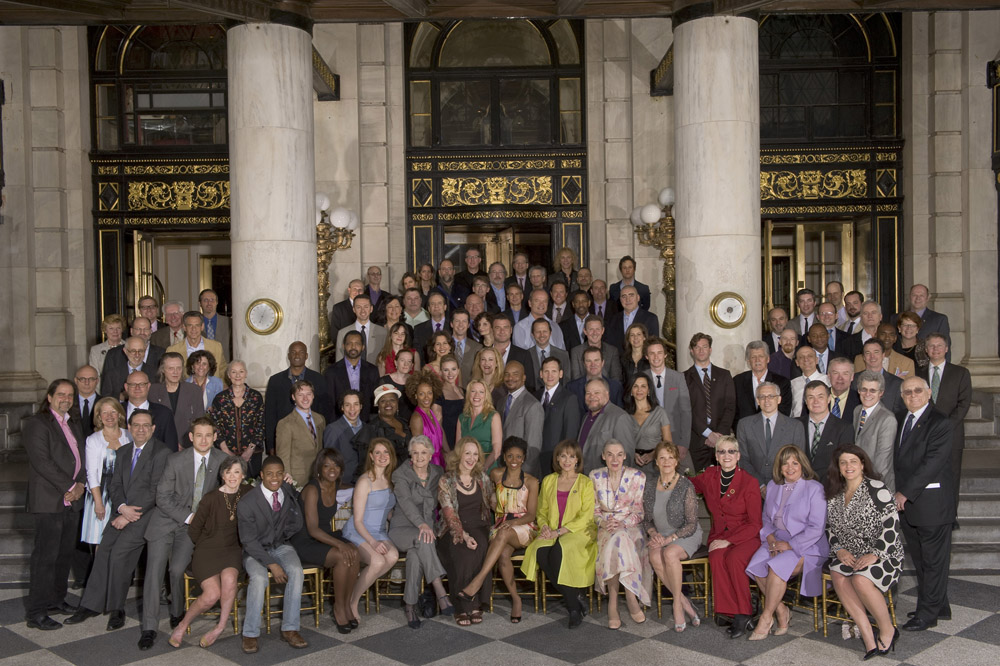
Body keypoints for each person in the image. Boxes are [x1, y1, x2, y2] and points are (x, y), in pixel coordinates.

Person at [66, 410, 169, 649]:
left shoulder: (162, 453)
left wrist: (131, 514)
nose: (141, 429)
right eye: (136, 425)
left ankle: (116, 608)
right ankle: (90, 605)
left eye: (146, 425)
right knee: (103, 551)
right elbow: (114, 484)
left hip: (147, 515)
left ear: (153, 429)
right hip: (122, 512)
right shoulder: (122, 452)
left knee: (120, 553)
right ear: (129, 428)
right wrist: (122, 508)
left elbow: (156, 490)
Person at [138, 416, 227, 642]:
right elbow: (162, 497)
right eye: (199, 435)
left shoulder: (222, 460)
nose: (204, 440)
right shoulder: (175, 460)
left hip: (190, 529)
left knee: (177, 570)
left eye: (208, 435)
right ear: (191, 437)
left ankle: (177, 611)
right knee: (154, 572)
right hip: (165, 522)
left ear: (215, 437)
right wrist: (189, 517)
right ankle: (149, 627)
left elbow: (238, 477)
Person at [826, 445, 903, 658]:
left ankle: (888, 629)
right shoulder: (834, 492)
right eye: (843, 462)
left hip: (884, 553)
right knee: (838, 572)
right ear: (838, 467)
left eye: (853, 461)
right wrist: (839, 549)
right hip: (850, 552)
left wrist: (875, 553)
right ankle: (868, 635)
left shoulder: (876, 488)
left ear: (862, 464)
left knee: (860, 580)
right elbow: (830, 527)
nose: (848, 466)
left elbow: (892, 525)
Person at [745, 445, 828, 640]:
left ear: (802, 465)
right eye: (785, 464)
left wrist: (790, 546)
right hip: (777, 539)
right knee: (756, 566)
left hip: (807, 544)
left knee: (776, 568)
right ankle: (781, 610)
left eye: (794, 463)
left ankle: (766, 617)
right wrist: (770, 537)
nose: (790, 468)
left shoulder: (815, 488)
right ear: (779, 467)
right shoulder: (773, 486)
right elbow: (766, 519)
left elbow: (817, 528)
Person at [23, 380, 87, 631]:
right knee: (45, 558)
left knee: (63, 556)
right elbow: (42, 462)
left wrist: (80, 485)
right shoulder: (37, 424)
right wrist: (71, 487)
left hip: (71, 501)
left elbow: (80, 458)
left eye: (70, 395)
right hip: (49, 500)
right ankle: (36, 612)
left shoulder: (72, 422)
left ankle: (55, 600)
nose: (66, 399)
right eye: (61, 394)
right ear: (49, 397)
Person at [167, 455, 250, 648]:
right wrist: (206, 545)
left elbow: (270, 490)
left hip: (231, 550)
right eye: (228, 472)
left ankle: (219, 628)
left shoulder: (248, 492)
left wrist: (287, 479)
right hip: (207, 550)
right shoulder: (211, 498)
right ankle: (182, 625)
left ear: (243, 475)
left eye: (236, 472)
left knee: (230, 580)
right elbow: (194, 530)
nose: (232, 476)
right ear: (222, 475)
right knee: (212, 594)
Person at [456, 437, 539, 623]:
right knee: (502, 556)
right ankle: (516, 600)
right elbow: (486, 496)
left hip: (523, 527)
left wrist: (513, 524)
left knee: (503, 533)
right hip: (501, 526)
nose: (514, 460)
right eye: (510, 456)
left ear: (524, 458)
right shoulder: (495, 475)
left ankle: (476, 582)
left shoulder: (532, 482)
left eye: (518, 456)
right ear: (504, 457)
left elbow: (531, 515)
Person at [895, 376, 955, 631]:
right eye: (907, 392)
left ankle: (927, 615)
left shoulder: (941, 422)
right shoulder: (902, 419)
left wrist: (904, 493)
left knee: (932, 561)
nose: (912, 395)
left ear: (929, 393)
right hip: (910, 508)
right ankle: (939, 604)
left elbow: (932, 464)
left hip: (931, 505)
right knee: (920, 560)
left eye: (918, 391)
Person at [690, 436, 763, 639]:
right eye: (722, 451)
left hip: (746, 536)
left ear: (738, 456)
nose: (727, 455)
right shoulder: (710, 476)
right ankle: (727, 611)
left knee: (733, 558)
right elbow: (689, 485)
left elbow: (755, 523)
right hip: (720, 534)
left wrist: (730, 541)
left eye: (731, 451)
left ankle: (744, 612)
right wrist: (668, 475)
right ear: (716, 456)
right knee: (716, 556)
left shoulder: (749, 482)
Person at [521, 439, 596, 628]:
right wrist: (545, 526)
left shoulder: (585, 483)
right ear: (557, 459)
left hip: (578, 531)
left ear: (578, 460)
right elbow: (542, 511)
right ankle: (576, 597)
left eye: (572, 456)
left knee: (559, 550)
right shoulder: (548, 480)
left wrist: (559, 532)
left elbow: (586, 516)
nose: (567, 460)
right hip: (552, 530)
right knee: (539, 550)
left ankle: (572, 609)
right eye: (563, 456)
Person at [237, 455, 308, 653]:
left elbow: (295, 512)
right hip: (255, 550)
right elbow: (248, 541)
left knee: (296, 570)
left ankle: (290, 628)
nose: (274, 478)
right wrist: (271, 564)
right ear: (261, 476)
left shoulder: (286, 490)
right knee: (259, 578)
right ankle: (250, 633)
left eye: (279, 474)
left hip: (280, 545)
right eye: (269, 474)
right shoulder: (247, 502)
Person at [289, 449, 361, 632]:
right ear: (319, 468)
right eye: (327, 465)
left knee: (354, 551)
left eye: (336, 465)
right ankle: (338, 608)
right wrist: (339, 543)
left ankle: (346, 605)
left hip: (325, 535)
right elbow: (313, 529)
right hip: (305, 540)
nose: (332, 469)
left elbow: (350, 487)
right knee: (342, 555)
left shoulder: (335, 484)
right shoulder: (312, 489)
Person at [389, 435, 453, 628]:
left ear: (431, 454)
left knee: (415, 557)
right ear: (410, 454)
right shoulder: (400, 474)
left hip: (425, 530)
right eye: (415, 452)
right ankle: (440, 590)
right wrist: (422, 525)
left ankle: (409, 606)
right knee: (424, 540)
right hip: (402, 528)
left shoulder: (437, 472)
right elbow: (406, 504)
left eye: (423, 452)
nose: (419, 457)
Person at [590, 439, 651, 629]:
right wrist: (605, 522)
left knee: (621, 538)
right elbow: (593, 510)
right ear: (603, 456)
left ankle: (614, 603)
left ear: (625, 456)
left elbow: (639, 512)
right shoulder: (595, 476)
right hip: (605, 527)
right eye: (610, 454)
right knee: (617, 539)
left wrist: (622, 523)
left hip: (631, 526)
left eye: (619, 454)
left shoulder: (638, 476)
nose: (614, 459)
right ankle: (630, 597)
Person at [642, 442, 703, 632]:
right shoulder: (650, 486)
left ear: (676, 461)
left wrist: (669, 539)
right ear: (656, 462)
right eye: (662, 457)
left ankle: (677, 605)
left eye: (670, 457)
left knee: (669, 554)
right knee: (653, 555)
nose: (666, 461)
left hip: (686, 534)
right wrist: (653, 534)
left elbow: (692, 523)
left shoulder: (685, 485)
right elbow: (647, 520)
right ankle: (685, 602)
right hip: (662, 535)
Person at [342, 439, 400, 625]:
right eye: (378, 452)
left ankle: (356, 583)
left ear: (391, 457)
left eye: (386, 453)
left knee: (392, 557)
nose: (382, 456)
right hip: (360, 530)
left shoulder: (391, 480)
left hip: (380, 531)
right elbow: (358, 520)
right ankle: (352, 602)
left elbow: (388, 511)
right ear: (371, 457)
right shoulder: (364, 481)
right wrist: (373, 543)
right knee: (377, 560)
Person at [439, 437, 496, 626]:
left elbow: (494, 503)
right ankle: (462, 605)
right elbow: (448, 513)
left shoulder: (482, 478)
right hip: (453, 528)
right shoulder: (446, 480)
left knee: (480, 547)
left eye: (475, 454)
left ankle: (474, 602)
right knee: (463, 552)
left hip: (479, 525)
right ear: (459, 455)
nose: (471, 458)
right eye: (467, 453)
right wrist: (463, 535)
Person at [264, 341, 334, 454]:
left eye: (301, 352)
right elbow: (270, 415)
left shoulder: (319, 379)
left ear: (306, 356)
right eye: (293, 352)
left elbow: (325, 412)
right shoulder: (275, 381)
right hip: (284, 440)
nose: (297, 355)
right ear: (288, 356)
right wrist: (271, 445)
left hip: (312, 440)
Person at [735, 381, 806, 488]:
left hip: (785, 487)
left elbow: (799, 461)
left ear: (779, 399)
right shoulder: (744, 424)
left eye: (771, 396)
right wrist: (760, 485)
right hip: (753, 488)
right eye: (762, 397)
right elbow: (742, 459)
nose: (766, 400)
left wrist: (779, 485)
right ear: (757, 401)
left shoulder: (795, 426)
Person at [81, 398, 130, 548]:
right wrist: (98, 503)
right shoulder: (93, 440)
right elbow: (92, 474)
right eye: (105, 412)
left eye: (113, 412)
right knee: (101, 544)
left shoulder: (129, 436)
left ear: (119, 414)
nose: (109, 416)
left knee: (124, 543)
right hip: (101, 495)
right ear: (99, 416)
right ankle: (101, 572)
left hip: (125, 492)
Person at [684, 333, 736, 471]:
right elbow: (687, 410)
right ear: (691, 351)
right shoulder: (683, 378)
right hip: (697, 441)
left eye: (705, 346)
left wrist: (718, 435)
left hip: (722, 441)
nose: (701, 350)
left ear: (710, 349)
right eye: (697, 347)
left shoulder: (724, 375)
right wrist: (708, 434)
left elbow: (730, 407)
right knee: (699, 484)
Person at [209, 359, 266, 478]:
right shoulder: (220, 399)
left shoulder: (255, 397)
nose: (238, 375)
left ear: (246, 374)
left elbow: (261, 425)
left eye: (241, 371)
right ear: (229, 375)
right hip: (225, 453)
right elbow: (215, 425)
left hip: (253, 454)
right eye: (234, 372)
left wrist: (250, 450)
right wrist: (225, 450)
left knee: (251, 488)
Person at [578, 377, 638, 472]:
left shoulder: (620, 417)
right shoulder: (586, 417)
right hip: (584, 479)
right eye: (588, 393)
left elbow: (627, 457)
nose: (592, 396)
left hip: (606, 481)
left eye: (597, 392)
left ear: (607, 394)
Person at [852, 370, 897, 491]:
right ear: (858, 390)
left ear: (881, 393)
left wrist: (864, 486)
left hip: (877, 485)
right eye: (864, 389)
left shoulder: (887, 419)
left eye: (873, 390)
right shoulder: (857, 411)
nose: (867, 394)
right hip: (856, 480)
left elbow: (882, 463)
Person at [537, 357, 581, 479]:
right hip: (535, 458)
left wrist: (564, 459)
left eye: (554, 371)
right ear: (541, 374)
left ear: (561, 374)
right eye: (546, 371)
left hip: (555, 459)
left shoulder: (569, 398)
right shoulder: (535, 395)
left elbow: (570, 433)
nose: (550, 375)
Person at [798, 380, 854, 477]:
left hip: (830, 487)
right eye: (811, 397)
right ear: (806, 402)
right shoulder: (796, 425)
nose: (816, 401)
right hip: (800, 485)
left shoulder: (844, 428)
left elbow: (845, 463)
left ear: (829, 399)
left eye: (820, 397)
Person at [496, 362, 545, 473]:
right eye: (507, 374)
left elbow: (533, 447)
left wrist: (521, 476)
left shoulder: (533, 405)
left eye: (515, 374)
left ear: (524, 377)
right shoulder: (500, 402)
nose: (510, 378)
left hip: (522, 473)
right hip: (502, 469)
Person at [276, 380, 325, 487]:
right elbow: (283, 455)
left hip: (318, 476)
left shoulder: (320, 419)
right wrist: (287, 476)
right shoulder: (285, 423)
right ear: (293, 397)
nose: (305, 398)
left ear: (313, 396)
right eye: (300, 395)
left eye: (308, 394)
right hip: (297, 479)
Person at [325, 330, 380, 421]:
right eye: (349, 343)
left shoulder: (372, 370)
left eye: (357, 344)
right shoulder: (331, 372)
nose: (353, 347)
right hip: (340, 423)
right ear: (343, 346)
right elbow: (329, 403)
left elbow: (374, 402)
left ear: (363, 347)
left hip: (366, 424)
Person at [733, 340, 792, 424]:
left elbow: (784, 410)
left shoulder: (782, 382)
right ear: (748, 361)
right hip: (745, 432)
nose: (757, 360)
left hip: (773, 431)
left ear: (768, 359)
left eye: (761, 356)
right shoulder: (737, 381)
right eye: (753, 357)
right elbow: (733, 410)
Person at [149, 351, 204, 439]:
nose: (175, 372)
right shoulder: (153, 390)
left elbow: (199, 421)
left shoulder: (195, 391)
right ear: (162, 369)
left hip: (187, 443)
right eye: (171, 368)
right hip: (161, 444)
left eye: (178, 368)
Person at [626, 373, 672, 476]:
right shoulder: (625, 415)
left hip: (656, 465)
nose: (639, 390)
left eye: (643, 386)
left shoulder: (660, 412)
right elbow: (622, 442)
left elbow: (668, 442)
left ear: (649, 390)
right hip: (633, 466)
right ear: (631, 391)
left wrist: (653, 455)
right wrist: (632, 454)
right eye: (635, 386)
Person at [122, 370, 179, 450]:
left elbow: (171, 448)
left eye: (142, 384)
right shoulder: (116, 412)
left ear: (148, 386)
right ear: (126, 387)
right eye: (133, 384)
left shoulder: (164, 413)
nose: (137, 388)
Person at [100, 330, 165, 399]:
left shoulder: (155, 373)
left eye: (140, 351)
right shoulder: (112, 375)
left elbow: (159, 397)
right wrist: (121, 397)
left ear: (145, 350)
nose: (137, 355)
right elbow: (105, 399)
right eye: (133, 351)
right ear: (125, 351)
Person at [166, 310, 227, 379]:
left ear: (202, 326)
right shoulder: (173, 350)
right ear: (184, 327)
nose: (193, 329)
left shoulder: (216, 347)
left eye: (197, 325)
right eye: (190, 325)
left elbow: (223, 371)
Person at [457, 378, 502, 468]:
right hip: (466, 468)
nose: (477, 395)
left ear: (486, 396)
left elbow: (497, 450)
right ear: (469, 394)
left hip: (487, 466)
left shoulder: (494, 416)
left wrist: (482, 470)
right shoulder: (462, 418)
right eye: (473, 391)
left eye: (481, 392)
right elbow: (458, 448)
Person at [323, 390, 366, 484]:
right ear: (342, 407)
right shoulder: (333, 429)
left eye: (356, 404)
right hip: (343, 484)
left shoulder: (367, 428)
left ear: (361, 406)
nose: (352, 409)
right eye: (347, 405)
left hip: (364, 481)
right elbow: (329, 461)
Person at [335, 293, 388, 365]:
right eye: (358, 307)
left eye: (366, 307)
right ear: (354, 309)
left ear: (371, 308)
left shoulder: (383, 332)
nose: (362, 311)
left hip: (376, 374)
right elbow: (339, 362)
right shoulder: (343, 333)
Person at [407, 369, 446, 466]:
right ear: (415, 396)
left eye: (429, 393)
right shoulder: (417, 418)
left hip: (439, 462)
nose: (426, 397)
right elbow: (418, 450)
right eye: (421, 394)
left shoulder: (431, 413)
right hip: (427, 465)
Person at [570, 315, 624, 382]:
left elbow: (616, 379)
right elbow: (576, 380)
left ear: (602, 330)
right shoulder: (576, 352)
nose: (594, 333)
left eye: (597, 329)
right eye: (591, 329)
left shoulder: (612, 351)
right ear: (585, 331)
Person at [605, 285, 659, 350]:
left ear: (638, 298)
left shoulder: (651, 319)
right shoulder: (612, 320)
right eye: (624, 296)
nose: (628, 299)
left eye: (631, 295)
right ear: (620, 300)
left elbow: (653, 345)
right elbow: (609, 345)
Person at [789, 345, 829, 417]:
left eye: (810, 356)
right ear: (797, 362)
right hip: (796, 423)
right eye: (801, 357)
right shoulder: (792, 384)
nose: (806, 359)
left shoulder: (828, 381)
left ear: (817, 360)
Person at [438, 354, 466, 451]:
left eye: (453, 369)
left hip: (465, 443)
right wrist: (447, 451)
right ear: (441, 372)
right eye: (446, 370)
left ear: (458, 370)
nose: (450, 373)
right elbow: (438, 425)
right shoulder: (438, 393)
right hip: (448, 443)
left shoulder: (464, 391)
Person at [381, 348, 416, 424]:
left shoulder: (415, 382)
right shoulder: (384, 381)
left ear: (412, 365)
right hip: (390, 424)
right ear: (396, 363)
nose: (406, 364)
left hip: (411, 424)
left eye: (409, 361)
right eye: (402, 360)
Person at [89, 314, 126, 383]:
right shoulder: (95, 350)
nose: (115, 331)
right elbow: (95, 376)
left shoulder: (129, 347)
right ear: (105, 330)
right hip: (104, 390)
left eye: (118, 328)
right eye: (111, 328)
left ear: (122, 330)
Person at [199, 288, 231, 358]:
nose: (209, 303)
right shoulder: (194, 323)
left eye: (212, 300)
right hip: (200, 365)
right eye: (205, 300)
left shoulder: (229, 322)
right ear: (200, 303)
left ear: (217, 302)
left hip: (224, 365)